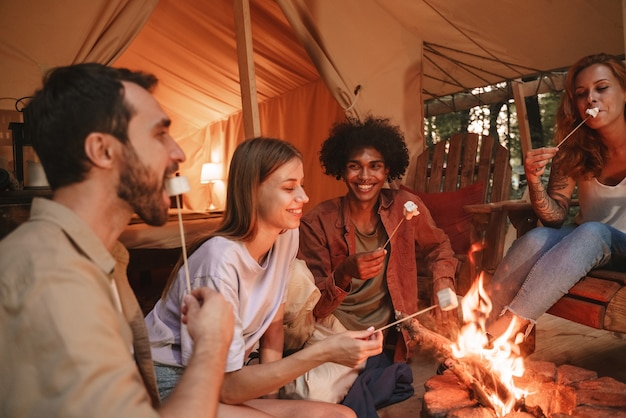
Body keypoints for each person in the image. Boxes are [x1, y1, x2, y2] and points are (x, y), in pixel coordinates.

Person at [0, 63, 234, 417]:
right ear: (103, 150)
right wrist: (213, 342)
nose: (179, 153)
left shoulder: (106, 258)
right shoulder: (53, 278)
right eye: (159, 135)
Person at [145, 137, 383, 417]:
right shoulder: (219, 262)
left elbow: (274, 328)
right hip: (178, 387)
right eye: (289, 188)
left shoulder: (286, 236)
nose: (304, 197)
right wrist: (325, 352)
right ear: (252, 192)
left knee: (341, 415)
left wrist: (272, 400)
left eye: (301, 184)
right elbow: (227, 387)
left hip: (225, 382)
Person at [485, 53, 626, 341]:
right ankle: (480, 330)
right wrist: (534, 181)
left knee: (592, 231)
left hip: (614, 244)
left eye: (602, 88)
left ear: (624, 92)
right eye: (581, 93)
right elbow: (555, 217)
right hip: (585, 244)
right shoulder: (573, 150)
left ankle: (508, 331)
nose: (591, 99)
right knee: (535, 239)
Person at [298, 115, 459, 363]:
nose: (365, 176)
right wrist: (344, 273)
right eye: (354, 166)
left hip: (387, 338)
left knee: (379, 379)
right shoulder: (316, 223)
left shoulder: (405, 207)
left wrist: (443, 281)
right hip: (335, 333)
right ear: (341, 169)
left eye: (375, 166)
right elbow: (315, 309)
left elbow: (439, 246)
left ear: (387, 170)